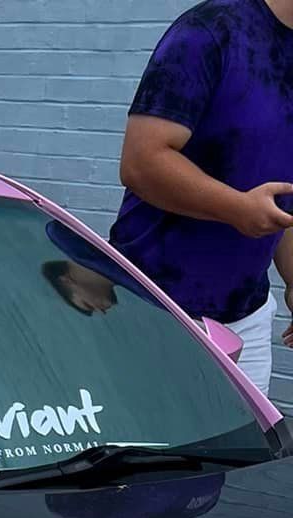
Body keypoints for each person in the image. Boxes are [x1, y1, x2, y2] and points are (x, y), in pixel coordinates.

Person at [110, 0, 293, 395]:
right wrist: (236, 209)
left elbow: (281, 190)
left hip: (248, 317)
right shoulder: (209, 32)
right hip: (156, 308)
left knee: (246, 456)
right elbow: (142, 161)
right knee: (150, 456)